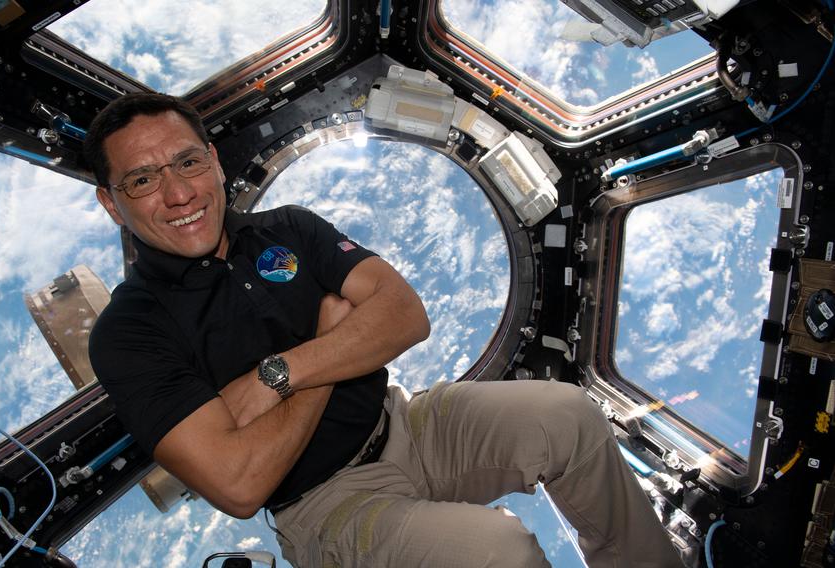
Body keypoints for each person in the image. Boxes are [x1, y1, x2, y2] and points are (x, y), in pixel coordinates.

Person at [85, 92, 684, 568]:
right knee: (500, 553)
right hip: (322, 503)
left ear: (213, 161)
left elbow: (403, 315)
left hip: (406, 422)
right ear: (113, 204)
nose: (179, 192)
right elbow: (239, 483)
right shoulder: (129, 331)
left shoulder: (287, 229)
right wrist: (326, 353)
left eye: (187, 162)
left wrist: (278, 376)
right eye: (142, 179)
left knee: (567, 415)